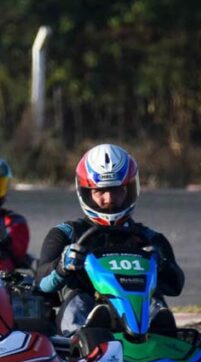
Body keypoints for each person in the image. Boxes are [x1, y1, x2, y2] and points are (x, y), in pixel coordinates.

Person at [35, 143, 184, 335]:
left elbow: (175, 286)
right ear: (86, 192)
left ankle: (159, 336)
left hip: (137, 310)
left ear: (130, 189)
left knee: (154, 301)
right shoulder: (66, 234)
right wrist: (61, 267)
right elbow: (40, 284)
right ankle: (85, 335)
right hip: (86, 315)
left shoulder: (150, 239)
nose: (109, 199)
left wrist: (160, 263)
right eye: (100, 191)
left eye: (117, 190)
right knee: (78, 299)